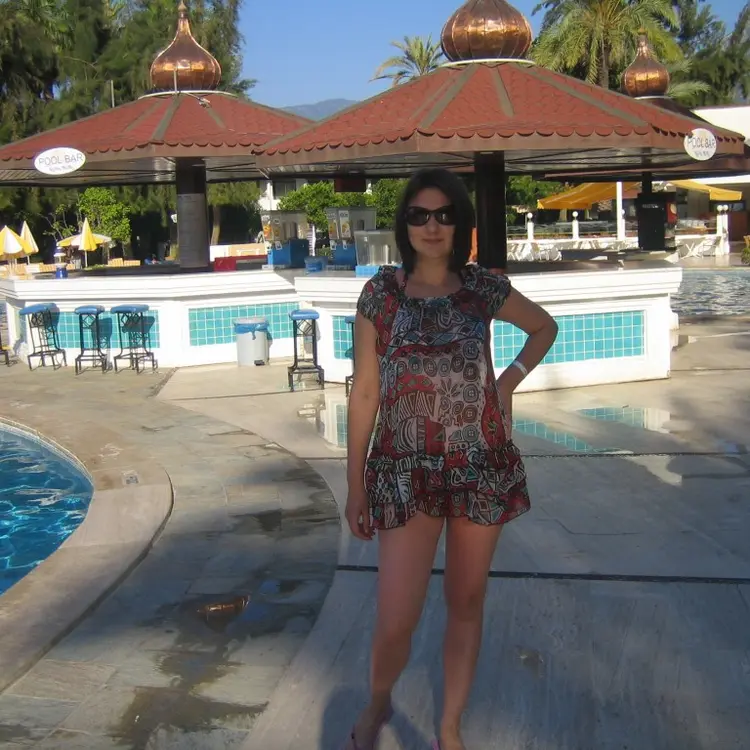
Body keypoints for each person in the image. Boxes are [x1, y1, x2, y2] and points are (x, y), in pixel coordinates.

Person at [344, 168, 558, 750]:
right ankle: (379, 702)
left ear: (460, 222)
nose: (432, 226)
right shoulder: (380, 295)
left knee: (465, 601)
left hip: (479, 468)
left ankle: (449, 727)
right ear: (405, 224)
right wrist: (356, 484)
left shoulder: (482, 288)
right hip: (404, 472)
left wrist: (507, 381)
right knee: (397, 617)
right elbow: (365, 392)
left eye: (444, 214)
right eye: (420, 215)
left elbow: (543, 328)